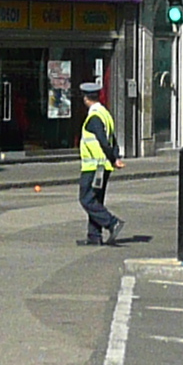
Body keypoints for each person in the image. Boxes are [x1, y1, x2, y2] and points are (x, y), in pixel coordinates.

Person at [76, 81, 125, 246]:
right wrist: (115, 157)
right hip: (103, 166)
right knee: (96, 199)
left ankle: (112, 223)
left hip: (94, 166)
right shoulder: (105, 114)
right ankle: (94, 236)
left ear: (86, 98)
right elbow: (113, 139)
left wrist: (112, 158)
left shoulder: (94, 117)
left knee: (86, 199)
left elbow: (104, 142)